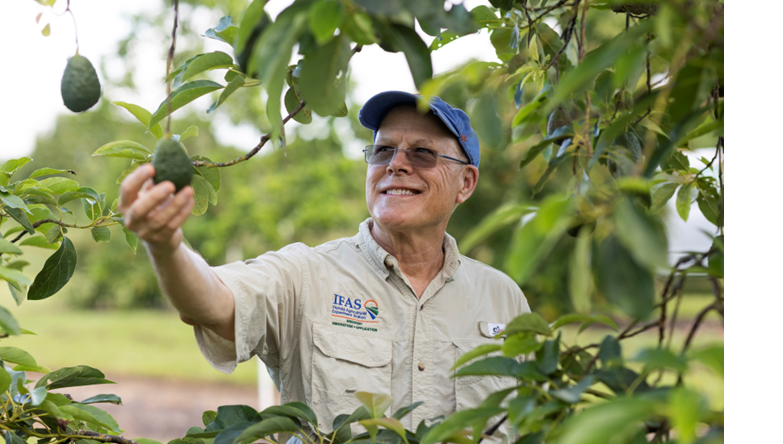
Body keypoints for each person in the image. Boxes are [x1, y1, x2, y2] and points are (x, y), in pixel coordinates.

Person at [117, 91, 530, 434]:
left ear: (466, 183)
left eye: (422, 153)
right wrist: (166, 245)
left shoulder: (503, 299)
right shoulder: (306, 275)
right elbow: (212, 301)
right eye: (383, 149)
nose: (396, 163)